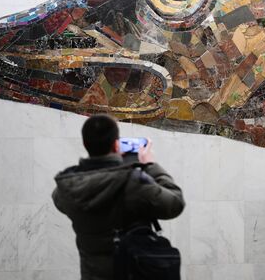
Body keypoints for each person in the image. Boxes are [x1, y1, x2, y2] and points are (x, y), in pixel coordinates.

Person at [52, 114, 185, 280]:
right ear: (116, 145)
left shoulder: (67, 188)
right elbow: (175, 203)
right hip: (131, 272)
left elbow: (62, 199)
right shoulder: (132, 182)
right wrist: (150, 165)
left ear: (86, 144)